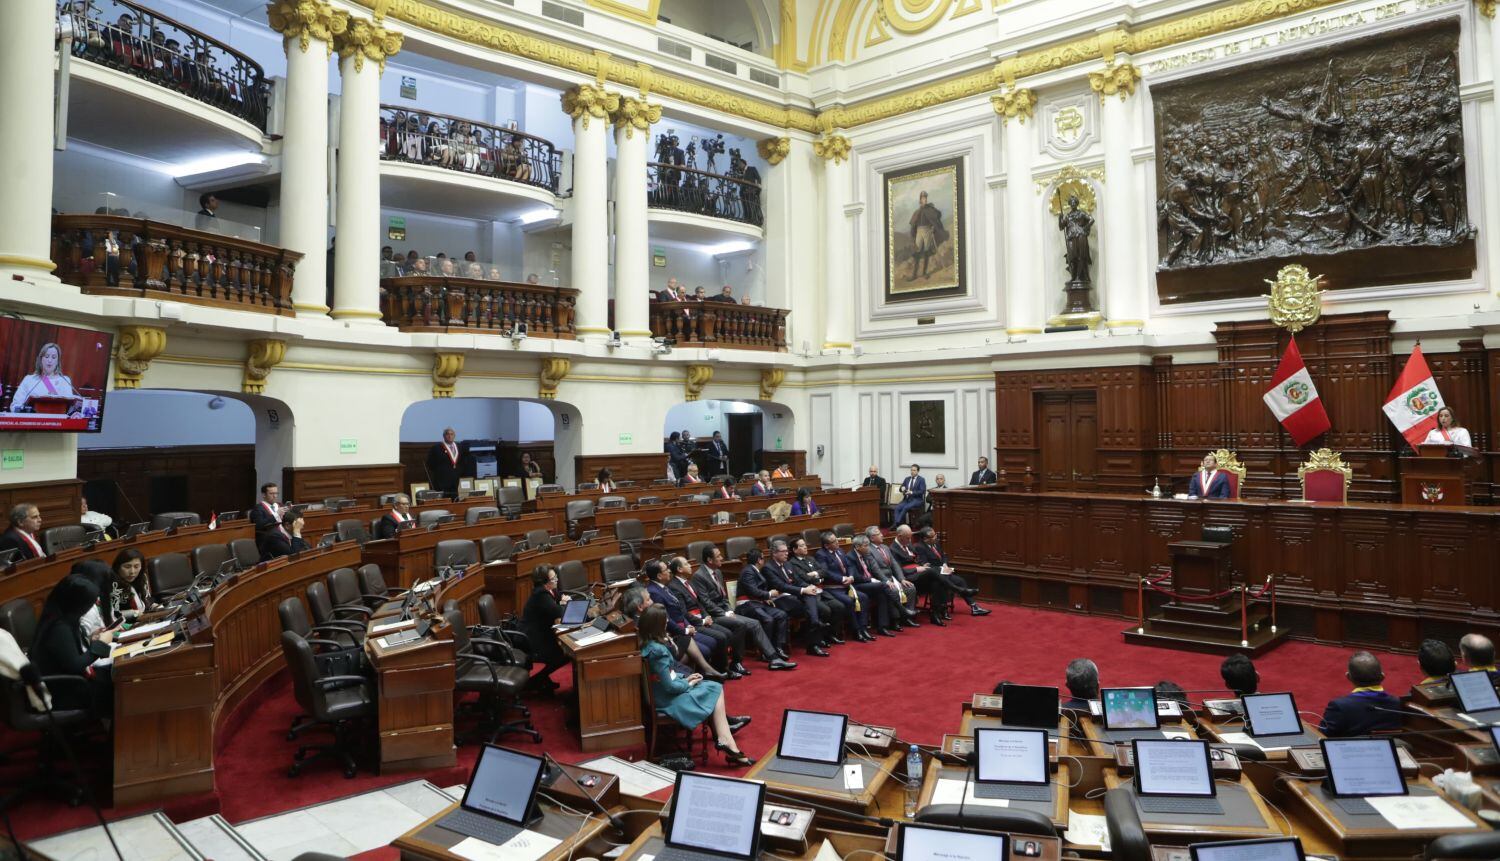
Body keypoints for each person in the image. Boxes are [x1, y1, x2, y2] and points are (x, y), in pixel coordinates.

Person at [638, 606, 754, 766]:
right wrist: (688, 683)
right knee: (714, 688)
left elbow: (667, 676)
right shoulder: (658, 651)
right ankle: (726, 741)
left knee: (713, 686)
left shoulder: (647, 645)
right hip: (667, 701)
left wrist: (685, 678)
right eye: (665, 619)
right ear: (658, 625)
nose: (667, 622)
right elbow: (670, 687)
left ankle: (726, 741)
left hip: (663, 694)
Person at [31, 572, 113, 714]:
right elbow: (75, 665)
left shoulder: (61, 615)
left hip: (73, 681)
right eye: (89, 602)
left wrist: (91, 640)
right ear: (77, 603)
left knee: (116, 674)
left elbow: (70, 653)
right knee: (119, 690)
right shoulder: (59, 627)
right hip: (65, 691)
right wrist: (102, 645)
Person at [669, 555, 761, 676]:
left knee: (728, 633)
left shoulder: (688, 582)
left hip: (703, 618)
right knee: (721, 636)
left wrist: (707, 617)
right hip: (693, 623)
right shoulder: (674, 586)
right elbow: (683, 612)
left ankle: (727, 666)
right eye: (686, 564)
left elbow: (699, 603)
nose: (690, 565)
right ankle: (722, 670)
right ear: (679, 569)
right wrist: (702, 621)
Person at [644, 560, 731, 678]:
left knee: (713, 641)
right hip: (674, 632)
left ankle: (710, 673)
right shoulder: (654, 592)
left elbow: (679, 611)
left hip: (685, 625)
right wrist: (685, 631)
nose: (669, 571)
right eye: (666, 570)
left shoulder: (663, 586)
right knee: (706, 649)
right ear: (659, 576)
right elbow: (666, 619)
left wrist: (688, 625)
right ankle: (703, 677)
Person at [762, 540, 832, 657]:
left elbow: (797, 580)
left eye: (787, 551)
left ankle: (814, 629)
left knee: (811, 599)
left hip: (795, 596)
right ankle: (813, 640)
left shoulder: (788, 564)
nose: (786, 554)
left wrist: (808, 587)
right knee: (811, 607)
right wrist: (803, 590)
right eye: (783, 552)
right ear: (774, 553)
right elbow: (781, 586)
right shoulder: (768, 568)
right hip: (780, 599)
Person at [817, 532, 891, 639]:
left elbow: (849, 565)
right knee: (849, 601)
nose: (838, 542)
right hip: (833, 588)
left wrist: (851, 576)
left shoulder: (840, 551)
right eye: (834, 541)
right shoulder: (821, 554)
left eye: (836, 539)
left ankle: (863, 628)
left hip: (847, 585)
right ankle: (856, 631)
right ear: (826, 545)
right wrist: (842, 578)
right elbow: (825, 571)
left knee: (863, 597)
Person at [734, 548, 805, 657]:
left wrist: (765, 598)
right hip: (746, 605)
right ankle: (765, 652)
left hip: (756, 603)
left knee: (781, 615)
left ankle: (779, 647)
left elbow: (756, 591)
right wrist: (769, 594)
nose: (765, 561)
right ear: (759, 560)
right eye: (763, 558)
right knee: (768, 619)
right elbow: (752, 590)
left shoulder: (754, 570)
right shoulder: (748, 571)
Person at [1319, 651, 1404, 738]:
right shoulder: (1400, 705)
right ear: (1382, 677)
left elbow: (1323, 737)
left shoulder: (1339, 707)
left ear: (1348, 677)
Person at [788, 538, 850, 644]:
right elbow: (805, 579)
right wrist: (818, 576)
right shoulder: (792, 563)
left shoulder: (810, 559)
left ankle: (831, 634)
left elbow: (824, 571)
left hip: (821, 590)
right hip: (809, 593)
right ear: (795, 549)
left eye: (805, 544)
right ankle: (819, 638)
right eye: (802, 545)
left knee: (839, 606)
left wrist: (815, 575)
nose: (805, 547)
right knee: (825, 610)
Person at [916, 526, 989, 617]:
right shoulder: (920, 547)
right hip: (933, 576)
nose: (936, 537)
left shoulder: (936, 543)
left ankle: (974, 607)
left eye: (935, 535)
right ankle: (943, 609)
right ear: (925, 539)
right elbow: (925, 565)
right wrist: (941, 569)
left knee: (960, 581)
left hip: (944, 571)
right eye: (933, 536)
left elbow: (944, 556)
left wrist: (945, 564)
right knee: (943, 584)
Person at [520, 565, 571, 691]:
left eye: (556, 577)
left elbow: (559, 601)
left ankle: (542, 680)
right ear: (545, 582)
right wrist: (563, 604)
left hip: (541, 633)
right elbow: (559, 611)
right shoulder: (540, 594)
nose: (557, 580)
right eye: (554, 579)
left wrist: (561, 603)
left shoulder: (550, 590)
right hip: (532, 639)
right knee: (565, 654)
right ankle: (534, 682)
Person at [889, 524, 949, 626]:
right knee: (932, 572)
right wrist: (917, 568)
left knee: (935, 581)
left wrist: (922, 565)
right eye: (907, 538)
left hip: (919, 575)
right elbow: (898, 570)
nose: (909, 540)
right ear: (899, 536)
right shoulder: (892, 549)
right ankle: (955, 589)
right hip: (907, 577)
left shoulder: (909, 544)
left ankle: (935, 614)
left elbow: (916, 558)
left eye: (910, 537)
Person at [860, 527, 920, 628]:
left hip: (893, 577)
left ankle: (907, 618)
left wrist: (902, 579)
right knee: (894, 591)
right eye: (879, 534)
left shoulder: (885, 547)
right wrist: (886, 581)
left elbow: (895, 565)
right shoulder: (868, 550)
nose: (882, 535)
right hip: (880, 580)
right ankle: (895, 620)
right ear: (872, 538)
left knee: (910, 588)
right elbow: (875, 570)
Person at [10, 342, 81, 414]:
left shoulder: (64, 380)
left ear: (57, 361)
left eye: (53, 357)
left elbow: (69, 409)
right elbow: (15, 405)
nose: (50, 360)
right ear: (41, 359)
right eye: (46, 356)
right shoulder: (29, 380)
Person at [108, 547, 155, 626]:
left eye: (136, 567)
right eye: (127, 567)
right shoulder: (112, 585)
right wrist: (134, 613)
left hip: (144, 620)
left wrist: (153, 606)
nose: (132, 572)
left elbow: (146, 600)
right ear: (118, 567)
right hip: (126, 626)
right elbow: (113, 615)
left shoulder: (142, 577)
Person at [426, 427, 467, 497]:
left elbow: (463, 462)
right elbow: (430, 463)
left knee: (454, 500)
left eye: (452, 434)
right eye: (447, 434)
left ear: (454, 436)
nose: (450, 436)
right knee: (443, 501)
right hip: (441, 481)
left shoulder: (460, 447)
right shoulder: (437, 448)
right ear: (444, 436)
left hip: (455, 480)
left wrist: (459, 472)